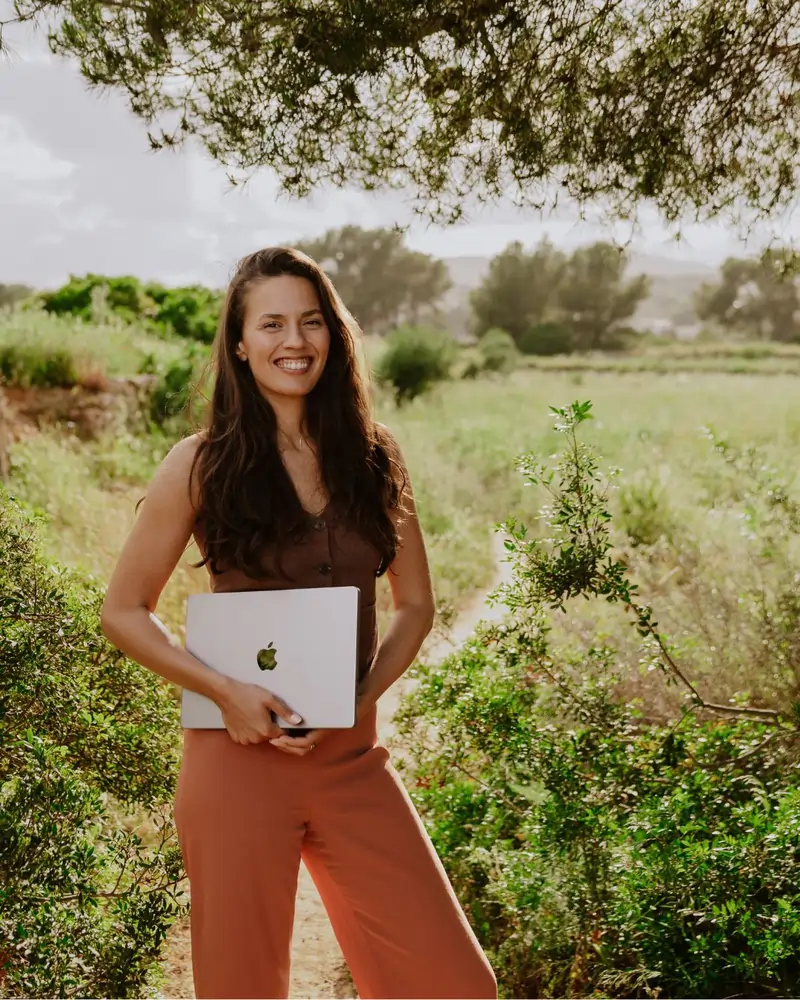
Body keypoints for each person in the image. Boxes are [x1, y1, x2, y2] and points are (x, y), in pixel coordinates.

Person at [100, 247, 498, 1000]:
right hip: (236, 763)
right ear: (240, 343)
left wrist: (361, 696)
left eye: (311, 322)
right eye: (273, 323)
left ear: (333, 335)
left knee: (453, 984)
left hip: (352, 759)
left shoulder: (376, 455)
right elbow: (123, 612)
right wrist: (225, 693)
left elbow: (415, 606)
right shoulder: (199, 463)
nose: (295, 340)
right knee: (242, 988)